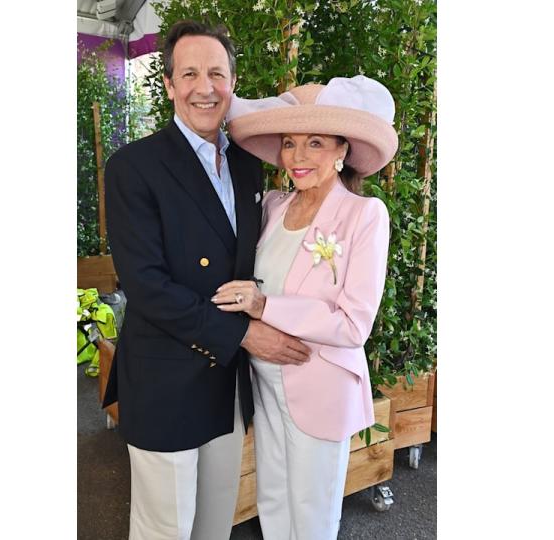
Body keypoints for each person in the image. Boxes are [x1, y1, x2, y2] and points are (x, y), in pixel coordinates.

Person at [101, 20, 311, 540]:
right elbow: (146, 285)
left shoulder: (246, 164)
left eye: (217, 73)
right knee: (165, 528)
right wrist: (243, 332)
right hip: (166, 379)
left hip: (226, 382)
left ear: (232, 84)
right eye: (189, 73)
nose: (204, 86)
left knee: (215, 523)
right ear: (169, 84)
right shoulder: (133, 166)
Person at [214, 75, 398, 539]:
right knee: (273, 499)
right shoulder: (273, 206)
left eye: (315, 143)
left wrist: (263, 306)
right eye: (291, 143)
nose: (297, 157)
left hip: (320, 383)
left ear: (342, 151)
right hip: (265, 380)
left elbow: (354, 324)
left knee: (312, 512)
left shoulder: (364, 214)